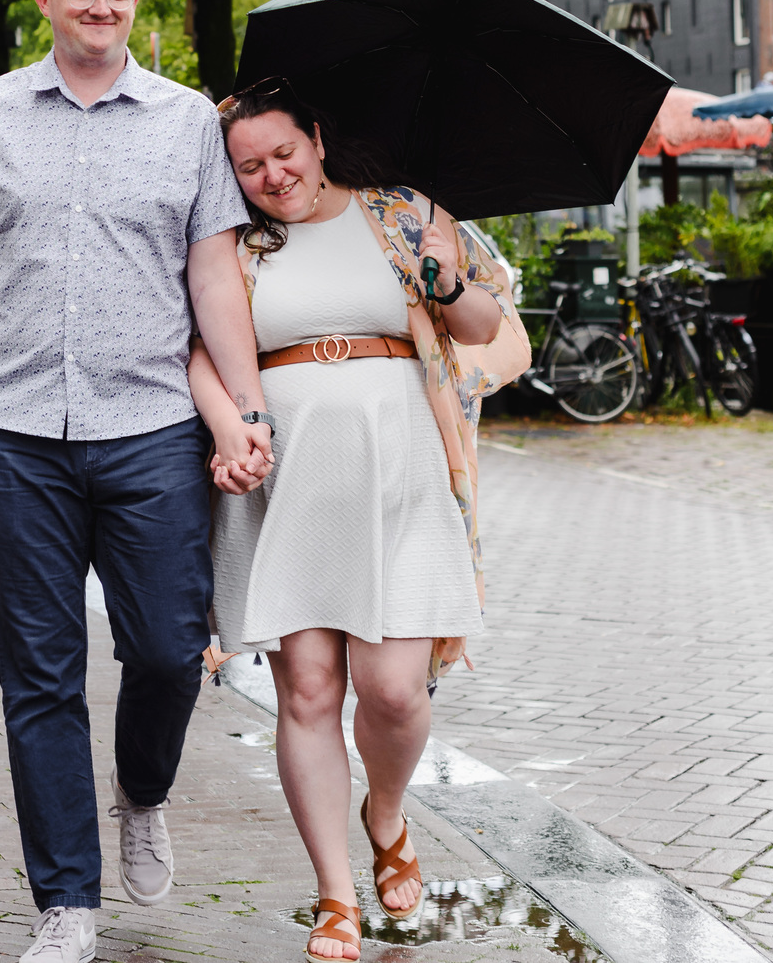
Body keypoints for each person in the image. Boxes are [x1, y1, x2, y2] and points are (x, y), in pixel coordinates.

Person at [0, 0, 274, 963]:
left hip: (153, 427)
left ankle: (143, 792)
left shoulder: (184, 124)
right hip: (14, 435)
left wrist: (243, 411)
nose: (102, 11)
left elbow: (213, 273)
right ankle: (65, 901)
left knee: (168, 649)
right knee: (39, 675)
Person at [187, 79, 530, 962]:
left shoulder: (401, 214)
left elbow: (483, 323)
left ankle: (386, 812)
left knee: (392, 691)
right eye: (249, 165)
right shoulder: (236, 245)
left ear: (317, 139)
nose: (272, 176)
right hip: (291, 481)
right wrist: (231, 428)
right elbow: (201, 356)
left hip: (403, 474)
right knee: (308, 690)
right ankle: (335, 894)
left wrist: (442, 273)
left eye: (284, 153)